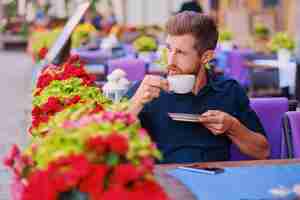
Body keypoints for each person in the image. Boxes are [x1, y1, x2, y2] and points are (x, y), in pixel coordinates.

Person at [126, 12, 270, 163]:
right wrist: (135, 103)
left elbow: (263, 151)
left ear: (206, 57)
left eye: (181, 52)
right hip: (165, 182)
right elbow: (107, 142)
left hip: (216, 181)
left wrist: (232, 127)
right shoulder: (147, 90)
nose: (170, 61)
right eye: (169, 49)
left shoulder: (229, 90)